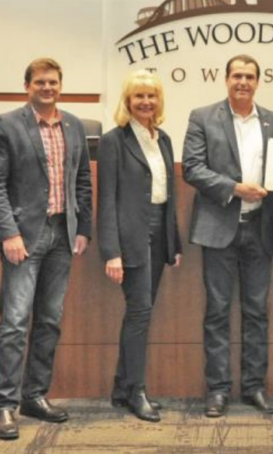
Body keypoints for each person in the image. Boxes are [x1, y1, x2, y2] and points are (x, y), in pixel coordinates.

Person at [0, 58, 93, 441]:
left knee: (49, 320)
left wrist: (84, 229)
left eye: (54, 82)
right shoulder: (8, 124)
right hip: (24, 239)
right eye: (41, 82)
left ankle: (34, 396)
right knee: (14, 322)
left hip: (63, 235)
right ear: (27, 85)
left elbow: (82, 181)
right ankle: (5, 405)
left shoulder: (74, 126)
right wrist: (9, 233)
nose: (48, 88)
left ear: (61, 86)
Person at [182, 54, 273, 417]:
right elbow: (192, 168)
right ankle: (216, 391)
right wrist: (234, 188)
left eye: (249, 76)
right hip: (219, 230)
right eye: (237, 76)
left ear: (258, 82)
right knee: (216, 311)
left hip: (260, 230)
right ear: (225, 79)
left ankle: (254, 388)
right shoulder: (202, 117)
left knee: (257, 312)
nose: (243, 82)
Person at [98, 70, 182, 422]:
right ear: (127, 101)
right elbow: (107, 200)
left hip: (158, 234)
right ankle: (136, 391)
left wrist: (172, 242)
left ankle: (121, 386)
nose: (146, 102)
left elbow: (169, 194)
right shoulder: (113, 141)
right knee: (140, 313)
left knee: (140, 314)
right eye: (138, 96)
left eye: (151, 96)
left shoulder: (162, 139)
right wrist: (111, 252)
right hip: (131, 236)